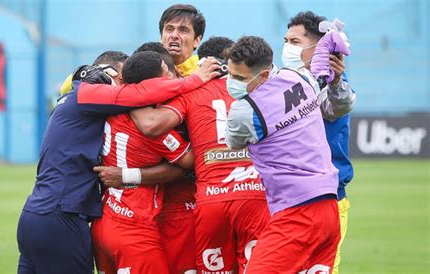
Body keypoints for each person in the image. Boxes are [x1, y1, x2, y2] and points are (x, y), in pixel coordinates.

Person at [16, 50, 220, 273]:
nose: (126, 85)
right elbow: (142, 98)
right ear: (107, 73)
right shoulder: (89, 95)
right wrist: (196, 80)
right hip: (65, 218)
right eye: (124, 80)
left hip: (39, 216)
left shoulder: (82, 104)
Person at [128, 36, 270, 273]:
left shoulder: (191, 91)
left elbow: (151, 124)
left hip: (212, 201)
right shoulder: (257, 89)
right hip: (255, 197)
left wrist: (126, 92)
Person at [224, 36, 340, 273]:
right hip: (329, 207)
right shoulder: (298, 77)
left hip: (297, 212)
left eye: (239, 78)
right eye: (229, 74)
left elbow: (234, 143)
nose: (230, 83)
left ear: (264, 75)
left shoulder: (245, 110)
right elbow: (317, 77)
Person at [91, 51, 194, 274]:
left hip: (104, 218)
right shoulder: (155, 129)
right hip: (134, 228)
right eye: (168, 78)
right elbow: (190, 161)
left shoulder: (113, 107)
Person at [283, 11, 355, 273]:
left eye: (295, 42)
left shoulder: (333, 85)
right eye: (286, 40)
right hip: (288, 200)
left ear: (317, 47)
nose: (286, 48)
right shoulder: (282, 82)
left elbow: (338, 105)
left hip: (328, 200)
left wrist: (335, 80)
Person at [159, 4, 205, 76]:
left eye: (183, 30)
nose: (174, 35)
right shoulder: (149, 72)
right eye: (169, 29)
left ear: (196, 40)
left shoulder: (205, 73)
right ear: (161, 37)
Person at [59, 50, 129, 95]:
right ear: (105, 75)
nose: (127, 86)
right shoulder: (82, 101)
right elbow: (65, 91)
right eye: (122, 80)